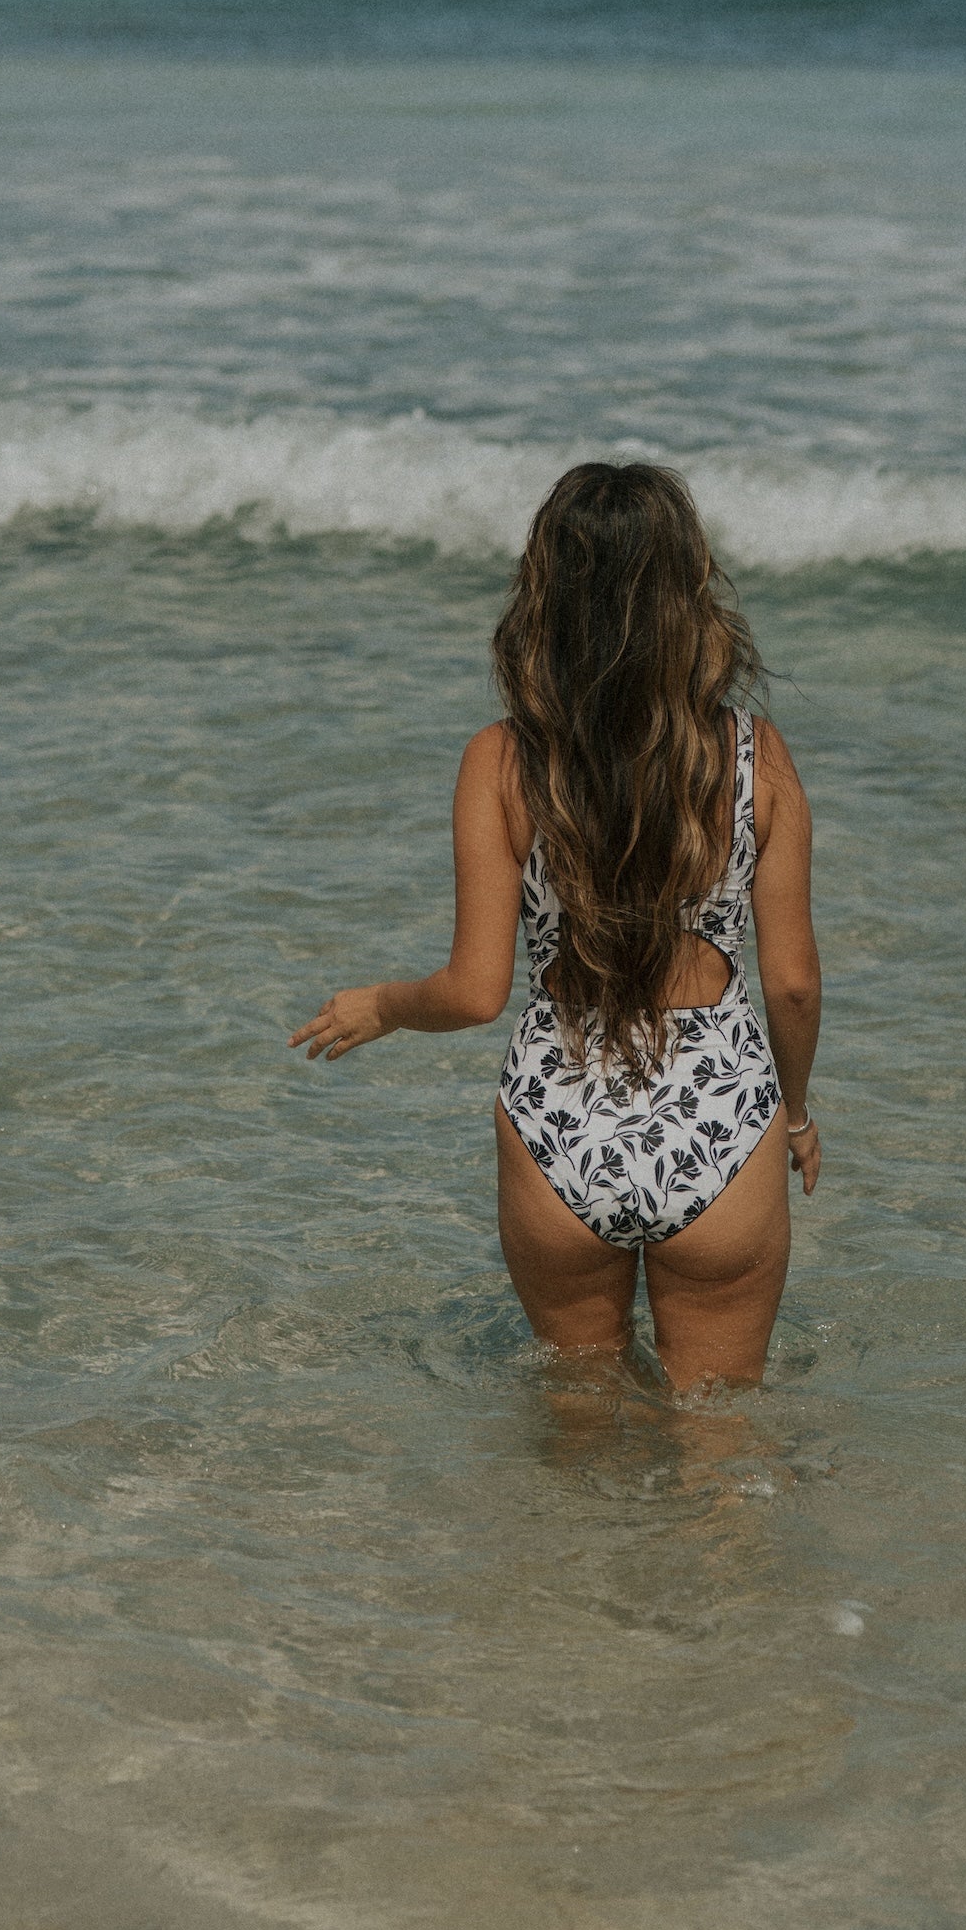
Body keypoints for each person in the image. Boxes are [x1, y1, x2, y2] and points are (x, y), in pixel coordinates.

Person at [289, 463, 821, 1387]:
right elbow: (794, 983)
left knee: (574, 1442)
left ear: (545, 595)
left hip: (559, 1123)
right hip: (722, 1119)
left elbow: (475, 990)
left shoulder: (501, 763)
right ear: (686, 593)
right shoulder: (751, 755)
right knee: (725, 1451)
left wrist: (383, 1003)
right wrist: (799, 1112)